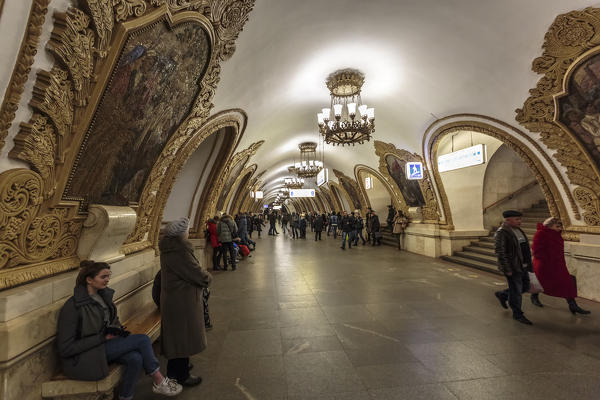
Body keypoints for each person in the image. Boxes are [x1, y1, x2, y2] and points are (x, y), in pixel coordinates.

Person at [57, 260, 182, 399]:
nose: (107, 280)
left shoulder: (102, 296)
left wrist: (116, 330)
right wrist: (102, 338)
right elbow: (66, 348)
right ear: (89, 280)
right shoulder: (73, 307)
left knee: (136, 358)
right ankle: (158, 380)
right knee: (142, 340)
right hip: (84, 356)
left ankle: (125, 397)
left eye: (108, 276)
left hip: (103, 346)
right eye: (103, 277)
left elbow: (110, 320)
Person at [159, 217, 212, 385]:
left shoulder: (171, 248)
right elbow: (194, 272)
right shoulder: (178, 250)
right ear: (182, 233)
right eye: (187, 230)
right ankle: (180, 376)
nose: (189, 232)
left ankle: (181, 368)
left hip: (177, 298)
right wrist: (207, 278)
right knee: (181, 338)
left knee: (181, 337)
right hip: (181, 301)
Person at [532, 217, 590, 315]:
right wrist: (547, 262)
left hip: (558, 265)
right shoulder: (541, 233)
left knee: (567, 282)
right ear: (549, 226)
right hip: (545, 266)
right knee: (540, 284)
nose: (560, 228)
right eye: (557, 226)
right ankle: (532, 296)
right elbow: (537, 251)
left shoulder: (557, 234)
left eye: (560, 226)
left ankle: (573, 305)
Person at [493, 210, 534, 325]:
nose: (520, 221)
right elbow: (500, 252)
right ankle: (517, 314)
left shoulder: (518, 230)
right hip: (513, 267)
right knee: (516, 290)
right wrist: (507, 269)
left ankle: (503, 294)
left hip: (524, 265)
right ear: (508, 220)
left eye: (520, 219)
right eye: (517, 219)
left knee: (525, 286)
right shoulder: (502, 233)